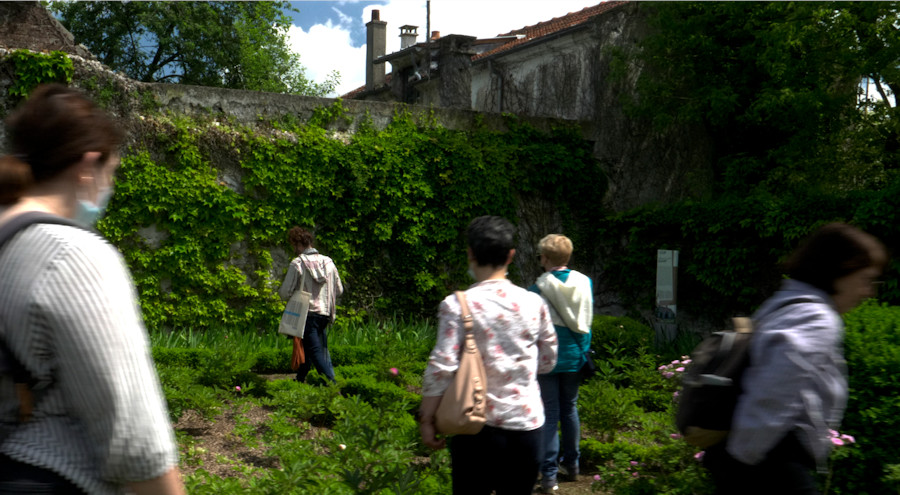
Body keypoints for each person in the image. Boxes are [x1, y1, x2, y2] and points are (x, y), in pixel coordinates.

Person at [0, 84, 185, 494]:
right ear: (88, 165)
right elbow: (136, 440)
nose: (108, 188)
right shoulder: (73, 256)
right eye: (111, 173)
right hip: (53, 476)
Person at [703, 223, 887, 495]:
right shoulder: (817, 318)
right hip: (770, 460)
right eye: (865, 279)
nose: (868, 292)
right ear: (842, 270)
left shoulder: (785, 302)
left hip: (751, 452)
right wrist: (742, 459)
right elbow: (775, 388)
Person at [419, 215, 558, 495]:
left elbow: (441, 367)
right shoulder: (534, 303)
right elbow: (548, 361)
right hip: (527, 426)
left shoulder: (456, 305)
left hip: (474, 428)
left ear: (470, 253)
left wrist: (427, 418)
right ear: (511, 256)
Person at [529, 234, 593, 493]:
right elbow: (587, 319)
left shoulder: (538, 288)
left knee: (550, 413)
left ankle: (549, 476)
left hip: (547, 359)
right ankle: (574, 466)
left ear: (544, 258)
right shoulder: (584, 282)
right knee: (570, 409)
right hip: (576, 355)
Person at [279, 226, 343, 384]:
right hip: (324, 315)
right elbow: (339, 290)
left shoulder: (297, 263)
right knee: (309, 348)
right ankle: (300, 379)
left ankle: (333, 387)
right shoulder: (328, 262)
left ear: (297, 244)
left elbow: (284, 292)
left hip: (306, 315)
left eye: (293, 245)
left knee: (316, 352)